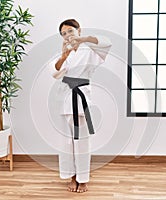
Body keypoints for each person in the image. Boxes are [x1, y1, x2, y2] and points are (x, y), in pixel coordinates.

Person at [49, 19, 112, 193]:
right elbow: (54, 73)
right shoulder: (65, 54)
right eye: (63, 34)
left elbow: (107, 43)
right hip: (64, 99)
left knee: (82, 142)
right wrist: (63, 56)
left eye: (70, 31)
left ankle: (83, 179)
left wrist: (83, 40)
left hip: (82, 97)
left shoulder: (91, 51)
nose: (67, 36)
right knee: (66, 142)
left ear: (79, 30)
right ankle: (71, 176)